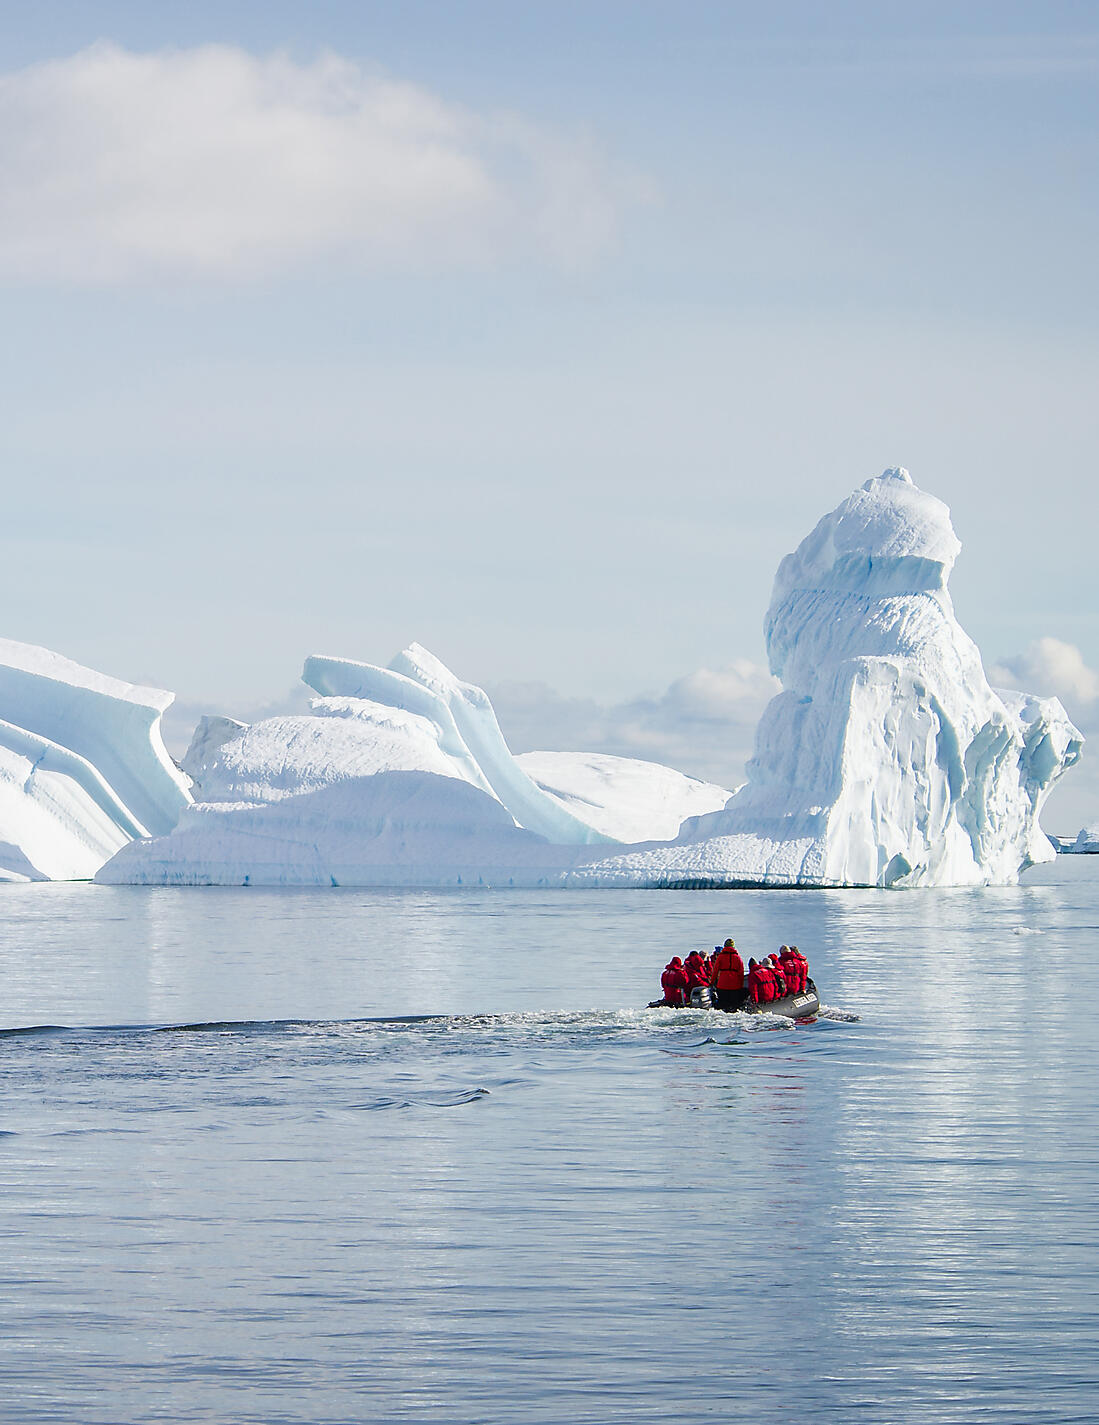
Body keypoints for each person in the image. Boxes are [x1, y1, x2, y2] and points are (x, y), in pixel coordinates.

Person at [710, 937, 746, 1011]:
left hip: (722, 984)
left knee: (723, 1005)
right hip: (735, 985)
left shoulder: (720, 957)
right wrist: (740, 985)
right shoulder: (738, 958)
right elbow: (741, 973)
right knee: (734, 1005)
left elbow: (715, 972)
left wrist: (712, 982)